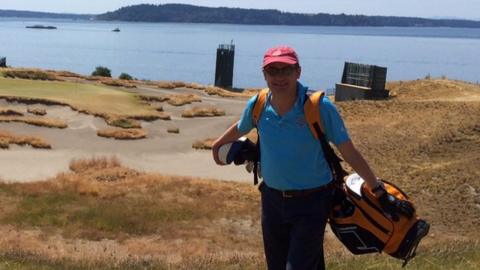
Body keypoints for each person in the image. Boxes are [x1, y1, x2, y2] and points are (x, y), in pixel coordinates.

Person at [212, 46, 386, 270]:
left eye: (286, 69)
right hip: (272, 200)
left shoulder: (318, 107)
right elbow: (242, 125)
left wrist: (376, 187)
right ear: (264, 75)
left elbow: (349, 151)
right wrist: (218, 144)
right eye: (273, 70)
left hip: (312, 202)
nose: (279, 76)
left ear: (298, 72)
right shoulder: (258, 105)